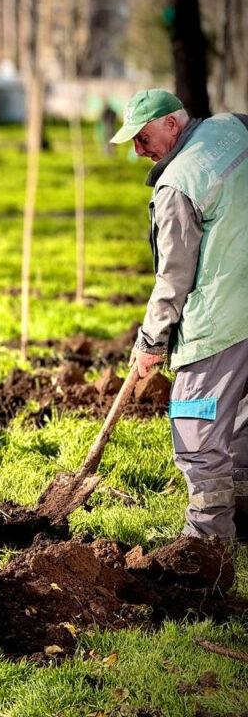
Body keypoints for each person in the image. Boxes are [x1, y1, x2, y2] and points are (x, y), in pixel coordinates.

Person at [111, 88, 248, 542]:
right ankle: (243, 514)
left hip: (221, 323)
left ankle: (208, 544)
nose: (138, 150)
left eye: (143, 137)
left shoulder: (176, 187)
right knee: (244, 418)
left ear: (173, 123)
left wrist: (151, 342)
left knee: (195, 428)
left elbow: (173, 279)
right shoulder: (235, 127)